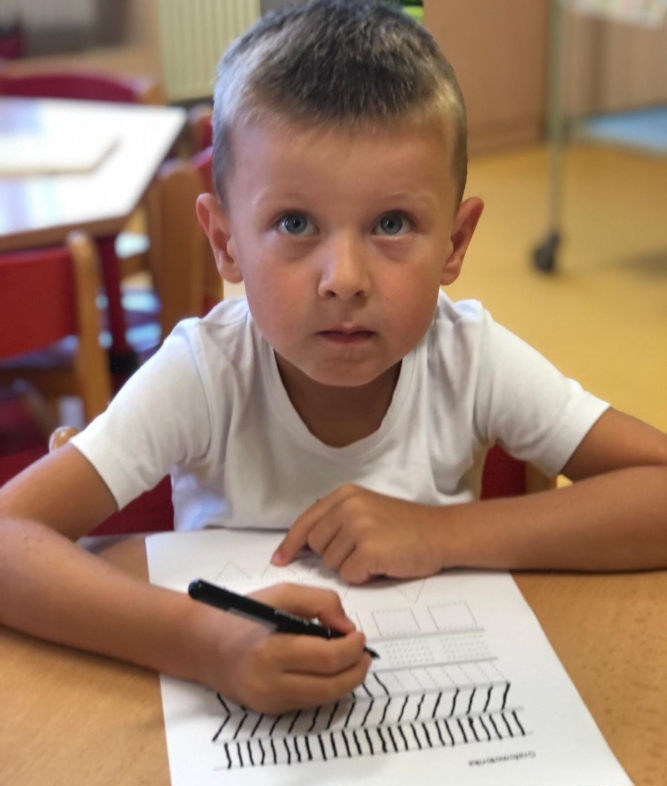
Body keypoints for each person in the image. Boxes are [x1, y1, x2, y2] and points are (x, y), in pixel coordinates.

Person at [1, 0, 666, 716]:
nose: (344, 280)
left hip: (439, 719)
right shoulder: (205, 373)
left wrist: (440, 533)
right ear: (225, 242)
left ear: (454, 243)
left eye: (391, 224)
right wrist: (208, 646)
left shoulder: (468, 357)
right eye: (294, 223)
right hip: (228, 735)